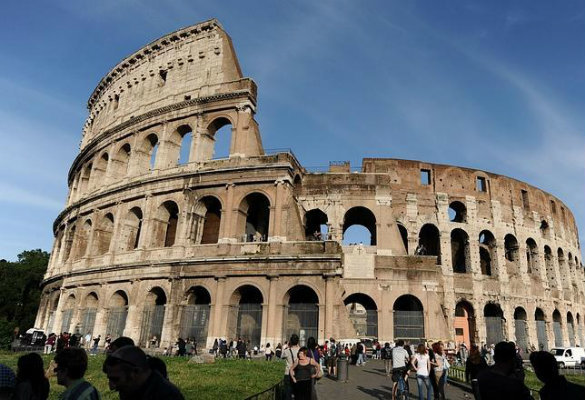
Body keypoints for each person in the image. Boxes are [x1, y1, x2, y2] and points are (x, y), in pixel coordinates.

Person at [103, 346, 184, 399]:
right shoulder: (133, 388)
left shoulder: (166, 396)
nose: (111, 387)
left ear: (136, 372)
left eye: (115, 379)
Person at [282, 334, 300, 400]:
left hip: (288, 373)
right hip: (298, 373)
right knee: (298, 392)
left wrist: (287, 346)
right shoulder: (301, 351)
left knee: (288, 392)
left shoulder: (287, 351)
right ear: (298, 342)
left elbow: (282, 356)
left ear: (290, 342)